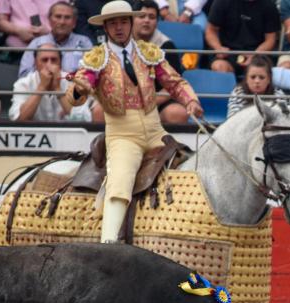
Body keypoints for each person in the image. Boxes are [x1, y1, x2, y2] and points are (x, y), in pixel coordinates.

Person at [65, 0, 203, 243]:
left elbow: (174, 82)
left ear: (131, 23)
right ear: (105, 28)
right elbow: (76, 96)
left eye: (123, 22)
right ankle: (107, 245)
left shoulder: (148, 53)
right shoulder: (96, 59)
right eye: (113, 23)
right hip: (123, 135)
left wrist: (190, 100)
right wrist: (78, 89)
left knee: (191, 167)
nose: (119, 27)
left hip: (155, 130)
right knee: (120, 183)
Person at [10, 45, 93, 121]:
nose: (49, 65)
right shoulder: (23, 84)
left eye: (54, 60)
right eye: (44, 60)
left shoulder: (73, 82)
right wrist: (41, 87)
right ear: (35, 63)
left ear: (60, 63)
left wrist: (58, 89)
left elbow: (82, 120)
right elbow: (19, 119)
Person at [19, 2, 94, 78]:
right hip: (42, 88)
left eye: (67, 17)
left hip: (75, 87)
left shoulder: (84, 42)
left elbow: (92, 73)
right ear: (49, 20)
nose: (62, 22)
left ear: (74, 22)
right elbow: (24, 75)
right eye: (58, 17)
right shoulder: (37, 43)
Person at [205, 0, 280, 74]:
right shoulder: (223, 2)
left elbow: (270, 39)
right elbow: (211, 30)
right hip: (227, 53)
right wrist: (218, 48)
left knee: (260, 73)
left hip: (257, 54)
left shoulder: (269, 5)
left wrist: (256, 54)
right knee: (219, 67)